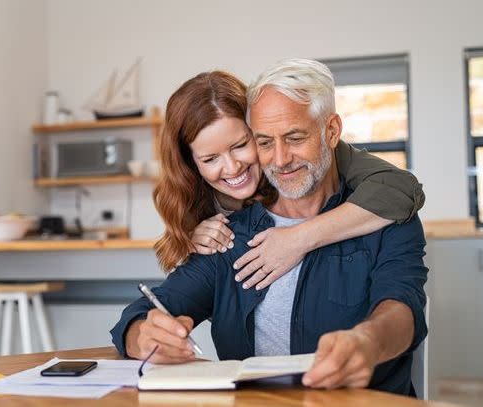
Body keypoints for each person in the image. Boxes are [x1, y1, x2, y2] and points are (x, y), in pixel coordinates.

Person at [111, 59, 427, 395]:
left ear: (331, 131)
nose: (279, 159)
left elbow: (402, 306)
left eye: (294, 137)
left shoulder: (382, 213)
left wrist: (368, 340)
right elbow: (144, 311)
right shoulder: (227, 234)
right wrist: (141, 334)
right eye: (264, 142)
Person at [153, 71, 424, 292]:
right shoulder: (190, 195)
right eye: (210, 159)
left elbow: (403, 188)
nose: (232, 167)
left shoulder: (307, 161)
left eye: (240, 145)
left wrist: (297, 239)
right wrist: (190, 238)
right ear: (191, 162)